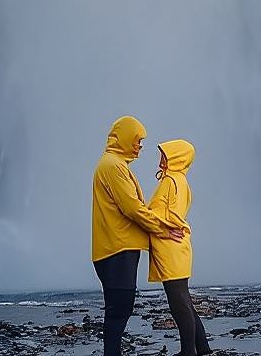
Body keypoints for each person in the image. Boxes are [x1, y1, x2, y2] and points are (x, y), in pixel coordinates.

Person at [92, 116, 183, 356]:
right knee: (119, 309)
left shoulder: (115, 164)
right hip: (117, 249)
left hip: (116, 248)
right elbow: (132, 208)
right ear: (124, 137)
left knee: (119, 308)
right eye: (137, 140)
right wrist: (163, 229)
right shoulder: (113, 166)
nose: (140, 146)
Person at [148, 139, 212, 356]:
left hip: (170, 246)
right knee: (184, 301)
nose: (161, 159)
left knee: (179, 303)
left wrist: (142, 214)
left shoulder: (171, 180)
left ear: (175, 157)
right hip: (177, 247)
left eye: (165, 154)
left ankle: (188, 352)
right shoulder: (181, 180)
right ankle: (202, 348)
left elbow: (165, 214)